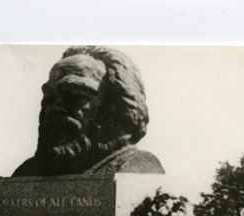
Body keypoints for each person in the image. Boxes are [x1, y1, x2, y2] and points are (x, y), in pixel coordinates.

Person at [12, 45, 164, 177]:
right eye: (50, 98)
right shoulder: (27, 172)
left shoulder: (139, 167)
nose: (55, 107)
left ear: (117, 107)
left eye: (76, 97)